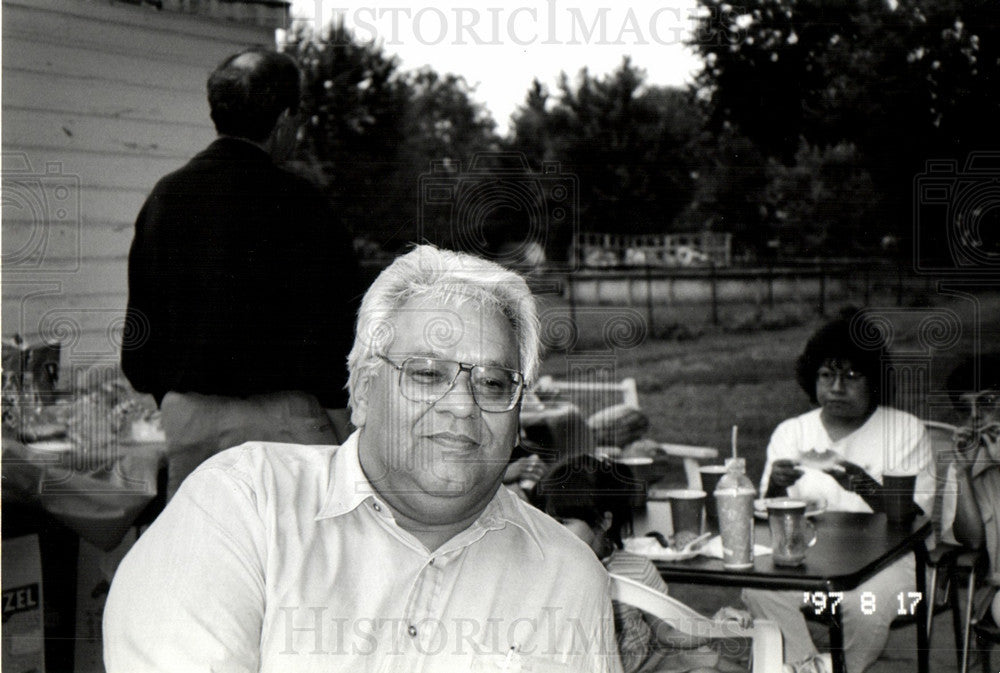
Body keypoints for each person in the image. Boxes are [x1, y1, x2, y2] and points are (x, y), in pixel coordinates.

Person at [104, 245, 622, 673]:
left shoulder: (568, 576)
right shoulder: (241, 509)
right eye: (426, 373)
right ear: (364, 392)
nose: (464, 405)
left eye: (492, 383)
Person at [121, 47, 359, 498]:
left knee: (203, 561)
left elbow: (139, 346)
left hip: (188, 426)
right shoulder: (302, 204)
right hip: (282, 428)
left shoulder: (165, 198)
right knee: (293, 562)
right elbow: (336, 340)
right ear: (285, 118)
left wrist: (179, 406)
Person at [743, 309, 933, 673]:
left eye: (851, 376)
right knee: (759, 590)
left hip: (888, 567)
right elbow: (767, 512)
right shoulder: (792, 432)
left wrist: (861, 484)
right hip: (811, 565)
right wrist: (775, 485)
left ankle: (847, 669)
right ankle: (808, 666)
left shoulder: (905, 430)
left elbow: (916, 519)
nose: (836, 388)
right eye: (826, 375)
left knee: (866, 603)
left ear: (874, 379)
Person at [537, 454, 751, 673]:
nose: (551, 531)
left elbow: (668, 631)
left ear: (603, 521)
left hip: (643, 668)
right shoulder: (544, 570)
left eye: (562, 522)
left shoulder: (638, 570)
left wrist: (716, 623)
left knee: (703, 665)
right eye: (544, 521)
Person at [940, 353, 1000, 622]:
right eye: (965, 409)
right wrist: (963, 472)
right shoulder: (974, 463)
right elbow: (972, 539)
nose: (975, 417)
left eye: (986, 403)